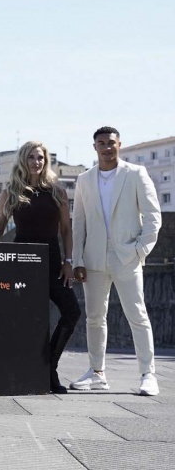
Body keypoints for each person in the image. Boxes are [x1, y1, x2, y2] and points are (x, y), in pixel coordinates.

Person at [70, 126, 162, 396]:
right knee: (94, 318)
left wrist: (139, 251)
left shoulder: (136, 173)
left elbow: (153, 216)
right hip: (93, 259)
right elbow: (79, 223)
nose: (107, 147)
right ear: (94, 147)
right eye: (101, 143)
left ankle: (148, 374)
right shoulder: (84, 179)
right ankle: (96, 372)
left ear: (119, 144)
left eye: (111, 142)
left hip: (127, 256)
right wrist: (78, 260)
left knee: (137, 315)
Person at [0, 141, 79, 394]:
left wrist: (68, 262)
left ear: (46, 161)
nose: (36, 162)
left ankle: (50, 367)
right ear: (23, 160)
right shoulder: (11, 192)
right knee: (26, 319)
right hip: (22, 263)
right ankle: (21, 373)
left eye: (40, 157)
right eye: (31, 157)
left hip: (52, 261)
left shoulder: (57, 192)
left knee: (72, 312)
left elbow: (66, 230)